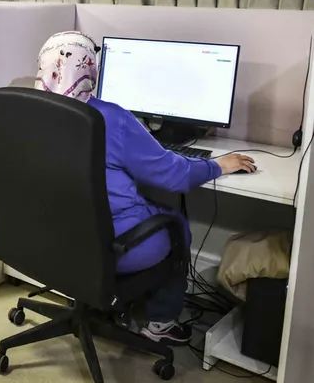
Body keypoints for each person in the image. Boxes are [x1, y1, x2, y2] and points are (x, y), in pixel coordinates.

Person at [35, 31, 255, 345]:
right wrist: (218, 165)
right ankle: (160, 321)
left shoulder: (33, 112)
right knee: (175, 222)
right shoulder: (111, 118)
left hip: (50, 235)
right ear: (90, 68)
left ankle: (100, 297)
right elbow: (175, 176)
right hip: (104, 246)